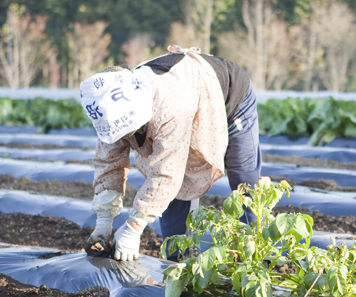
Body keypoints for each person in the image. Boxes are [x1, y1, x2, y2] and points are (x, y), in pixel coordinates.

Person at [81, 45, 261, 262]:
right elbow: (108, 161)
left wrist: (133, 228)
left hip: (229, 97)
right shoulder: (109, 109)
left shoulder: (168, 106)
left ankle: (256, 254)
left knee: (243, 177)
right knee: (176, 194)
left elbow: (166, 173)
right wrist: (103, 221)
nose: (124, 137)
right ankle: (178, 258)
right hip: (187, 94)